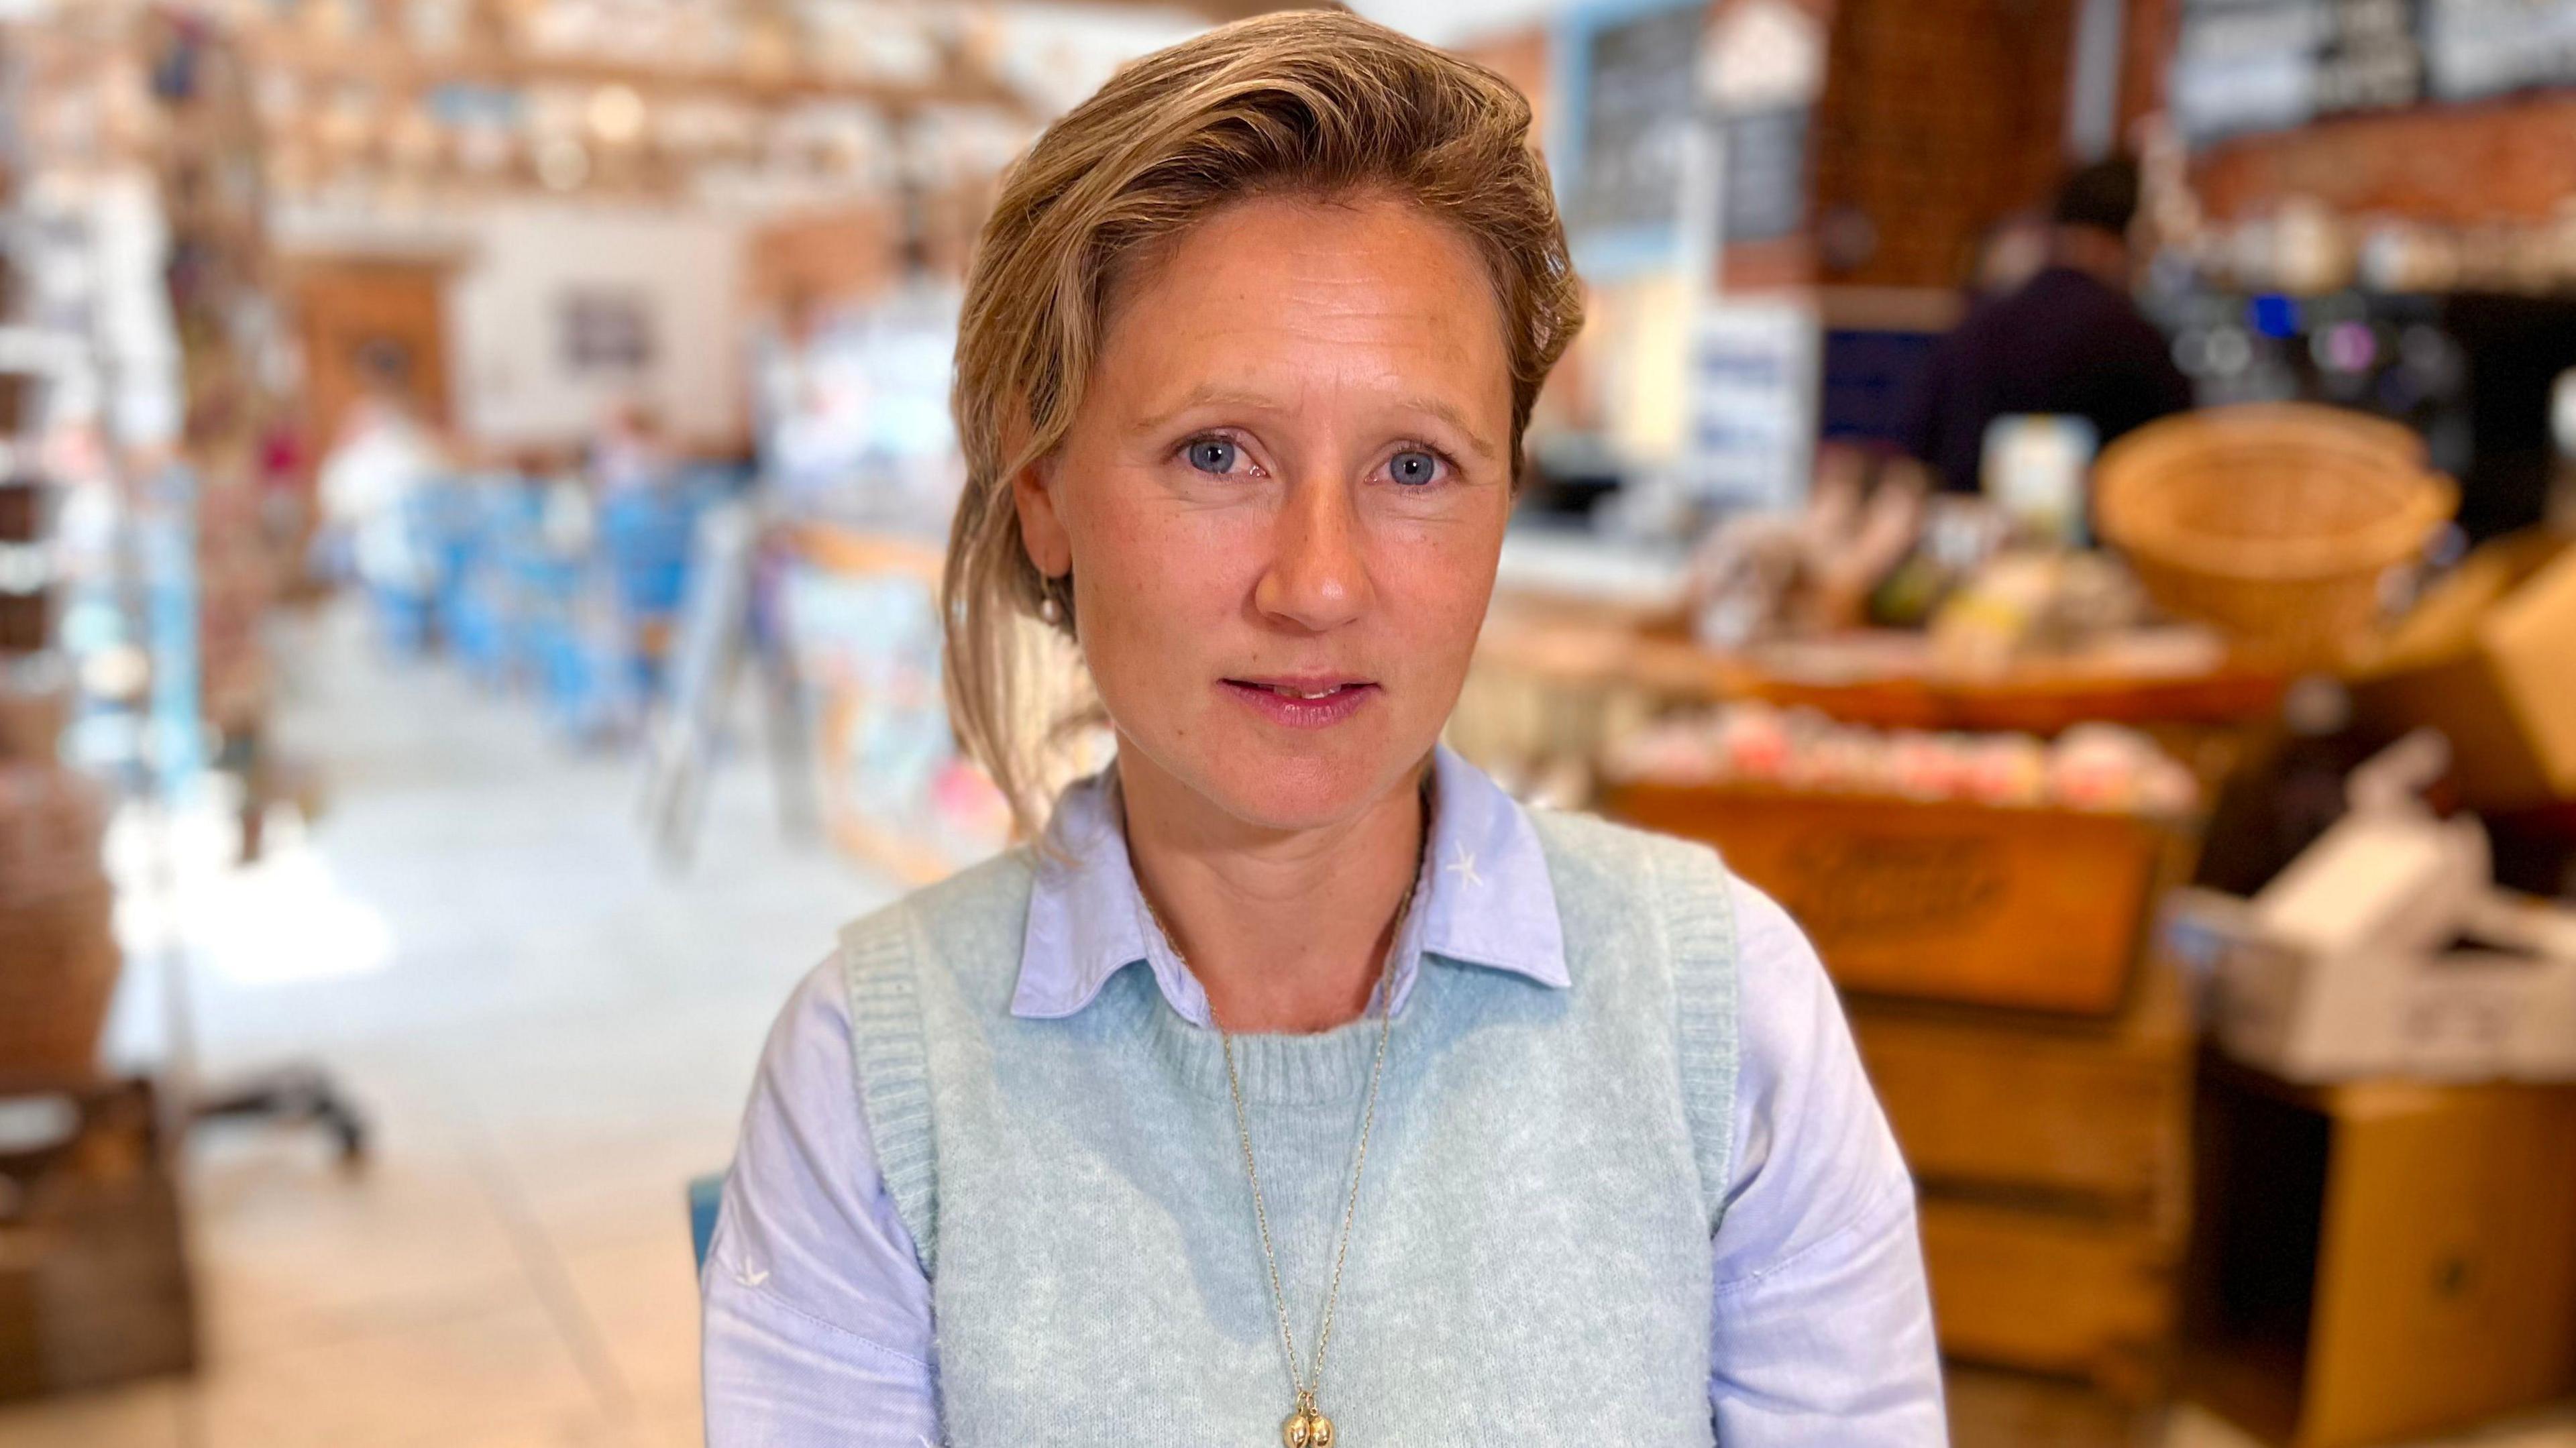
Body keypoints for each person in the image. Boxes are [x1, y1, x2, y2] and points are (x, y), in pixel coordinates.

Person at [702, 14, 1942, 1446]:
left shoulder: (1726, 1022)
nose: (1322, 582)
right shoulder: (873, 1083)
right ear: (1042, 489)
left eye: (1416, 464)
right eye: (1217, 452)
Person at [1900, 156, 2194, 494]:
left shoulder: (1977, 325)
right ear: (2131, 237)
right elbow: (2176, 470)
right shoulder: (2137, 343)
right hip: (2098, 544)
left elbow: (1918, 447)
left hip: (1972, 536)